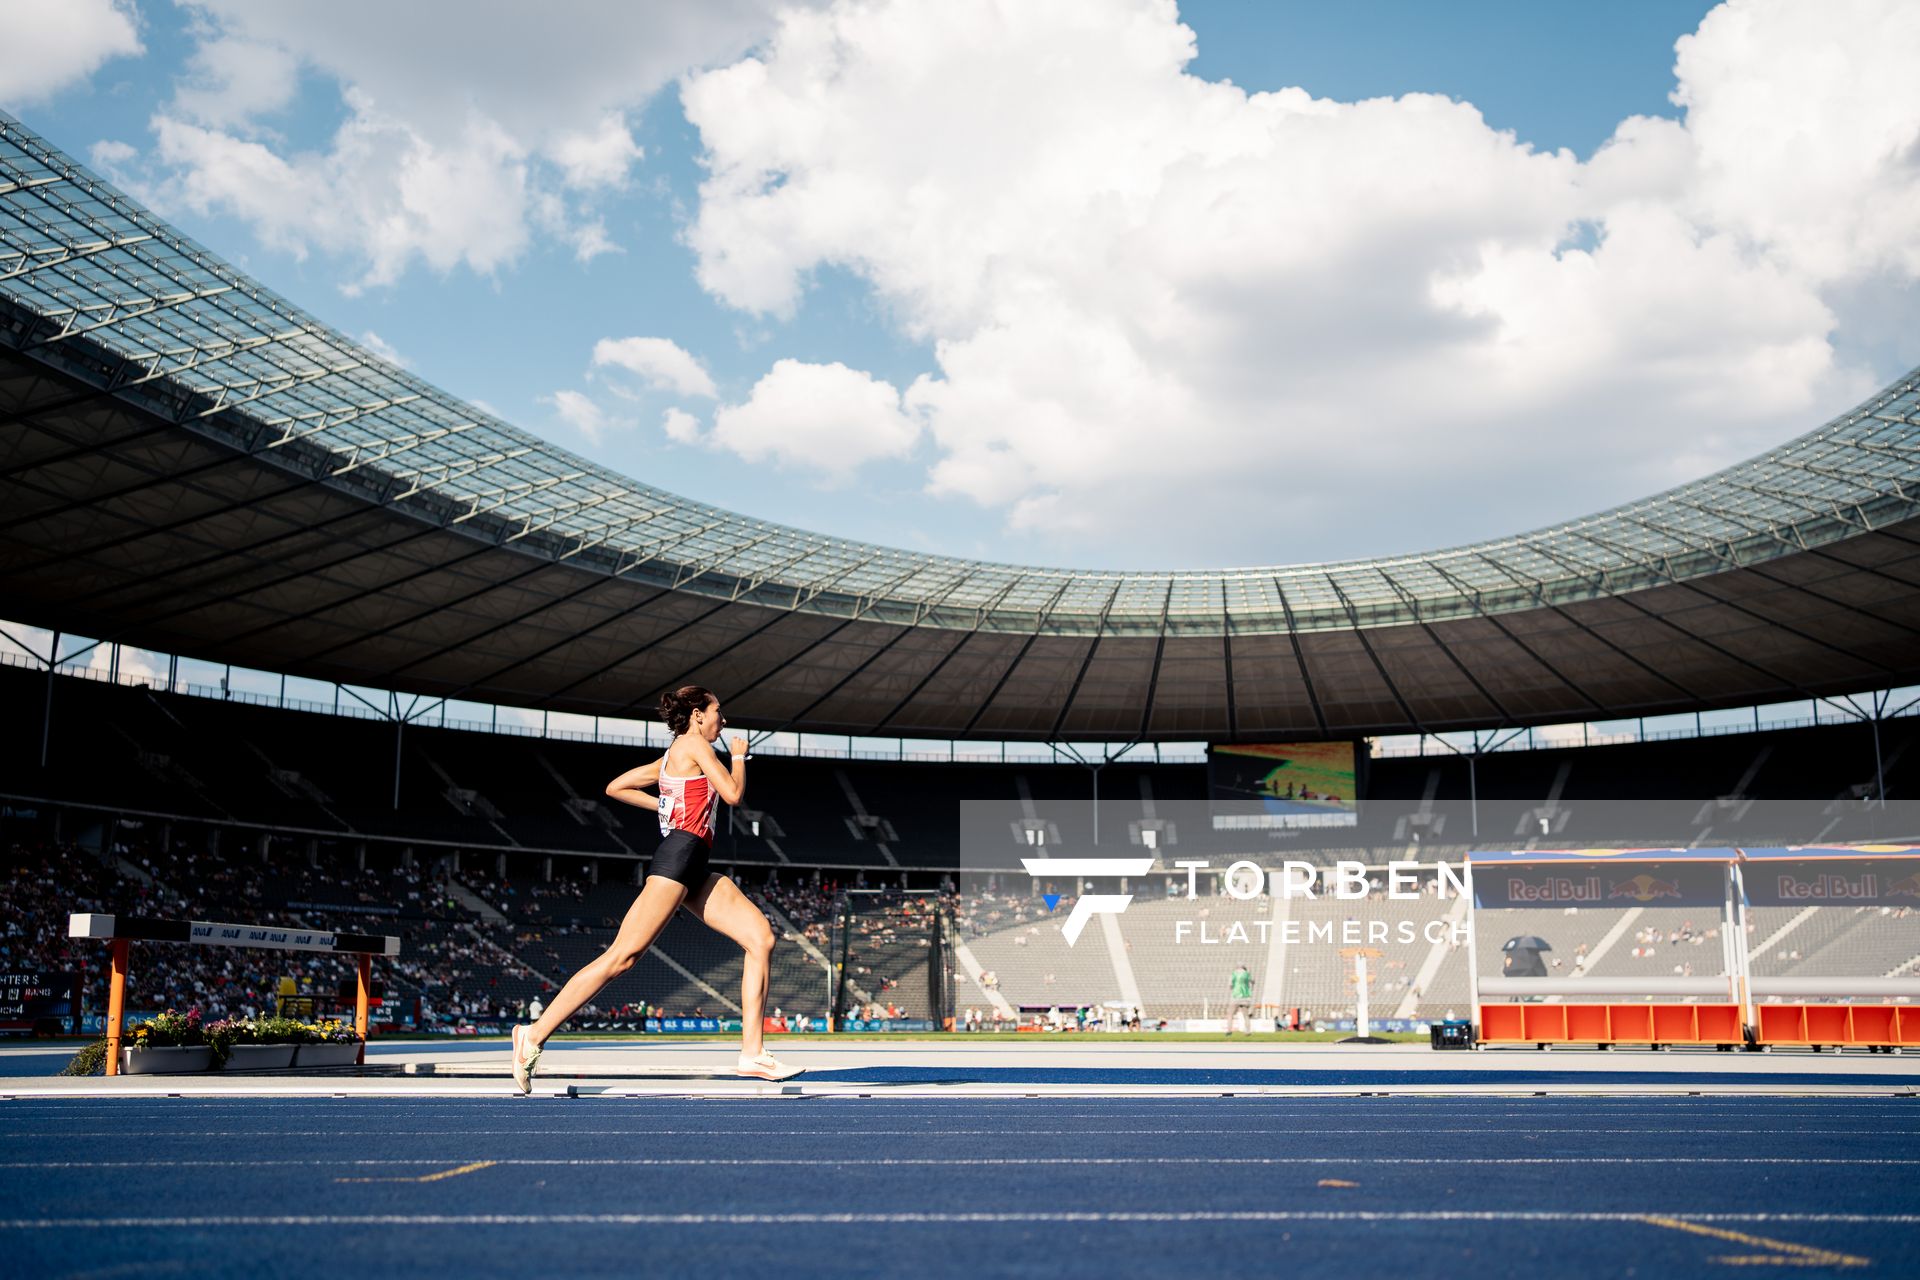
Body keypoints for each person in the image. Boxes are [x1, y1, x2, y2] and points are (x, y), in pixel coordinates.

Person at [509, 685, 802, 1092]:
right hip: (678, 858)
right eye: (719, 711)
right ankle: (533, 1034)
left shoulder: (670, 758)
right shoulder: (695, 745)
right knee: (622, 957)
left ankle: (752, 1053)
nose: (724, 720)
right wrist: (738, 756)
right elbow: (733, 794)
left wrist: (663, 803)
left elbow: (616, 787)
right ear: (698, 715)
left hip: (695, 863)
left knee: (760, 938)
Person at [1224, 963, 1254, 1036]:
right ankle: (1248, 1031)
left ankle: (1229, 1030)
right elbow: (1252, 982)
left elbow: (1230, 985)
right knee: (1246, 1015)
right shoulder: (1247, 974)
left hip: (1236, 996)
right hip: (1246, 997)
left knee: (1230, 1014)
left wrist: (1233, 989)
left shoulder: (1234, 974)